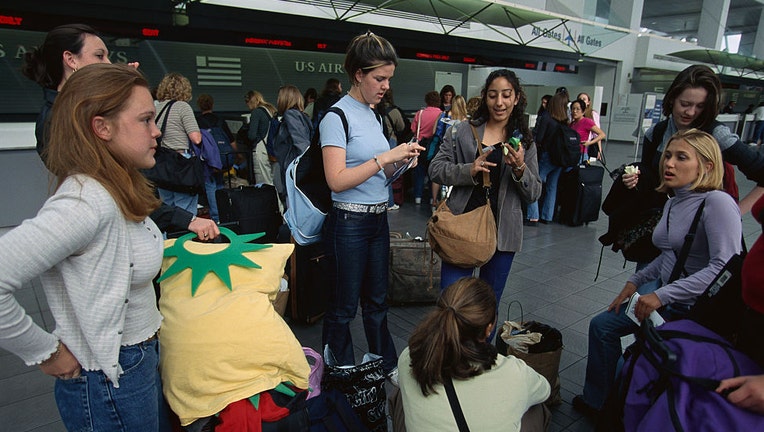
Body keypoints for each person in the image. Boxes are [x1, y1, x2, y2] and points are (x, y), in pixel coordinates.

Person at [0, 63, 170, 431]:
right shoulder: (85, 203)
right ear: (101, 127)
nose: (157, 131)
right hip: (110, 381)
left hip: (133, 366)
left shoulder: (114, 187)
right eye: (145, 120)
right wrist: (46, 353)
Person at [574, 129, 743, 417]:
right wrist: (634, 282)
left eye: (681, 157)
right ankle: (598, 402)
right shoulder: (674, 199)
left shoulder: (717, 203)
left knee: (631, 366)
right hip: (668, 301)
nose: (669, 164)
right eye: (668, 156)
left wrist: (660, 295)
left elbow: (722, 269)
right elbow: (669, 254)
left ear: (708, 166)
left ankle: (624, 412)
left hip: (695, 312)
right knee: (602, 326)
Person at [21, 23, 218, 239]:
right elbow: (114, 188)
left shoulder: (86, 110)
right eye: (99, 56)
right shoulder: (58, 120)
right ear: (71, 59)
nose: (108, 63)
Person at [320, 31, 425, 378]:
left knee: (378, 302)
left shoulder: (375, 115)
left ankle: (386, 364)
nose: (385, 86)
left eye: (388, 79)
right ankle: (343, 370)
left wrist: (400, 163)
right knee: (343, 307)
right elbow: (336, 180)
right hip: (348, 223)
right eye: (379, 78)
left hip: (377, 220)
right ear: (358, 75)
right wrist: (384, 158)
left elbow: (378, 176)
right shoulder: (336, 117)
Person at [429, 68, 542, 341]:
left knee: (487, 308)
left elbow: (535, 191)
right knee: (452, 303)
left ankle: (478, 362)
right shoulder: (463, 132)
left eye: (506, 95)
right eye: (493, 95)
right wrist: (469, 169)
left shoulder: (524, 140)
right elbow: (435, 168)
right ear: (484, 98)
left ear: (516, 99)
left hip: (503, 236)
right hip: (461, 228)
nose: (499, 102)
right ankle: (449, 359)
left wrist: (519, 169)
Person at [398, 277, 550, 431]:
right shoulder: (513, 373)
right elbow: (545, 390)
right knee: (537, 409)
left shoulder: (409, 356)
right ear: (488, 329)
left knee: (399, 394)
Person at [621, 65, 764, 216]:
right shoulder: (656, 133)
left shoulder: (717, 135)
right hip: (660, 223)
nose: (690, 112)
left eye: (700, 106)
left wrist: (734, 213)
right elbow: (648, 175)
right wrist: (633, 179)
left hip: (701, 227)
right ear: (672, 100)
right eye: (685, 104)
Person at [154, 72, 203, 214]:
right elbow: (196, 138)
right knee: (185, 208)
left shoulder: (156, 108)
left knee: (167, 207)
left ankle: (169, 236)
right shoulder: (183, 107)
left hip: (161, 164)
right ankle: (184, 236)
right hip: (181, 163)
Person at [526, 92, 567, 225]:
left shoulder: (547, 117)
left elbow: (539, 137)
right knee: (552, 187)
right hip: (560, 158)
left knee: (535, 183)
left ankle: (533, 215)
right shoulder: (565, 120)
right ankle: (547, 216)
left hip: (546, 155)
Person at [196, 93, 235, 223]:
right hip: (223, 158)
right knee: (220, 184)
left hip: (208, 160)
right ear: (212, 104)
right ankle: (224, 214)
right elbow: (231, 140)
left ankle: (216, 217)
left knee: (210, 185)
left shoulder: (197, 121)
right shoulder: (219, 120)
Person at [274, 84, 313, 194]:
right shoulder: (302, 116)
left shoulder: (291, 115)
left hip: (292, 169)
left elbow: (302, 144)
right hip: (296, 169)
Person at [411, 91, 443, 205]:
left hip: (419, 145)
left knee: (419, 172)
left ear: (427, 100)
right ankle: (432, 198)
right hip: (434, 147)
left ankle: (417, 197)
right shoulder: (441, 114)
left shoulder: (420, 113)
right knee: (432, 173)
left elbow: (413, 129)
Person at [245, 90, 277, 185]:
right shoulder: (270, 109)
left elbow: (252, 135)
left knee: (263, 183)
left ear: (250, 101)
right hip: (272, 150)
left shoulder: (256, 112)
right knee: (272, 181)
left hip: (261, 149)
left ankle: (269, 200)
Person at [570, 98, 606, 163]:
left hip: (581, 154)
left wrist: (589, 143)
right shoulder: (572, 123)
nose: (575, 111)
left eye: (578, 109)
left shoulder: (586, 121)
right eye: (573, 109)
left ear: (583, 111)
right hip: (571, 153)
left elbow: (602, 134)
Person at [577, 92, 603, 160]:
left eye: (584, 99)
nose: (581, 100)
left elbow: (597, 133)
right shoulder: (575, 113)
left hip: (586, 144)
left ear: (588, 102)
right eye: (580, 99)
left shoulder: (592, 114)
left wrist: (599, 150)